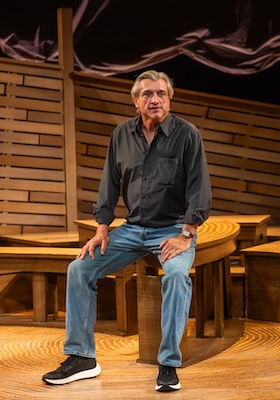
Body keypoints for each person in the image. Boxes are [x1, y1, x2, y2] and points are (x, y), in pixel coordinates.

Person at [42, 70, 212, 392]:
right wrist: (102, 229)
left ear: (170, 99)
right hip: (132, 229)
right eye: (147, 94)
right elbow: (109, 183)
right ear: (136, 101)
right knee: (79, 269)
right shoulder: (121, 134)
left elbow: (199, 188)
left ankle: (168, 363)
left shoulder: (188, 135)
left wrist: (185, 235)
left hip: (173, 229)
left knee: (177, 276)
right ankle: (81, 357)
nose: (155, 99)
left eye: (161, 94)